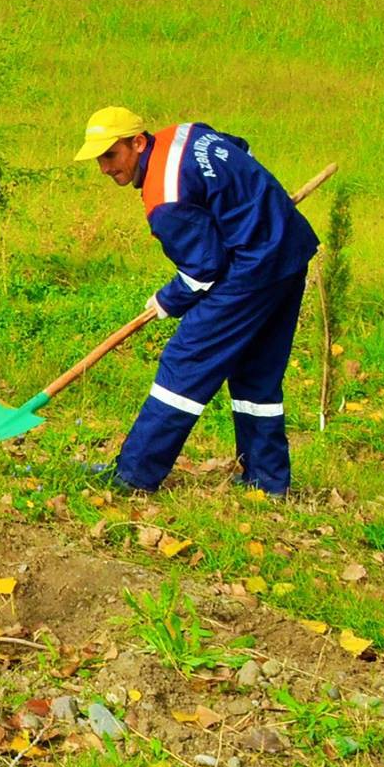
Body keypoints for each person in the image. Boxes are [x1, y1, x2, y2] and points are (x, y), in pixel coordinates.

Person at [77, 108, 319, 495]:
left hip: (253, 268)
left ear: (137, 143)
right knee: (257, 373)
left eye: (110, 155)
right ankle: (267, 482)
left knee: (186, 360)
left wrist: (166, 300)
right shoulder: (185, 133)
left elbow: (204, 269)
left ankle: (134, 475)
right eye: (99, 160)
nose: (105, 169)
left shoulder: (164, 198)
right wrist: (257, 208)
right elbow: (241, 150)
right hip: (289, 248)